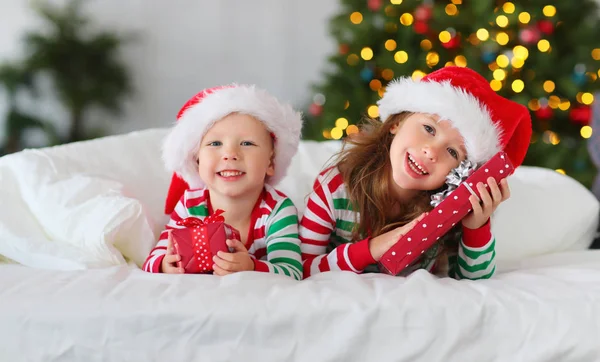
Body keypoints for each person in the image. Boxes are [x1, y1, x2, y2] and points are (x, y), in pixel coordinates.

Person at [299, 66, 532, 279]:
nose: (431, 152)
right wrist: (371, 250)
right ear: (395, 123)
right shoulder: (335, 187)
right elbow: (302, 268)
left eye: (452, 152)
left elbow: (475, 283)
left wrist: (475, 228)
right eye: (429, 128)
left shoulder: (446, 212)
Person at [143, 84, 304, 280]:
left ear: (270, 162)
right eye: (215, 143)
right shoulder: (190, 205)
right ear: (197, 160)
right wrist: (164, 265)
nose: (230, 154)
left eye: (247, 143)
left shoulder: (278, 210)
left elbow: (293, 272)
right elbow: (154, 257)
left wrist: (252, 266)